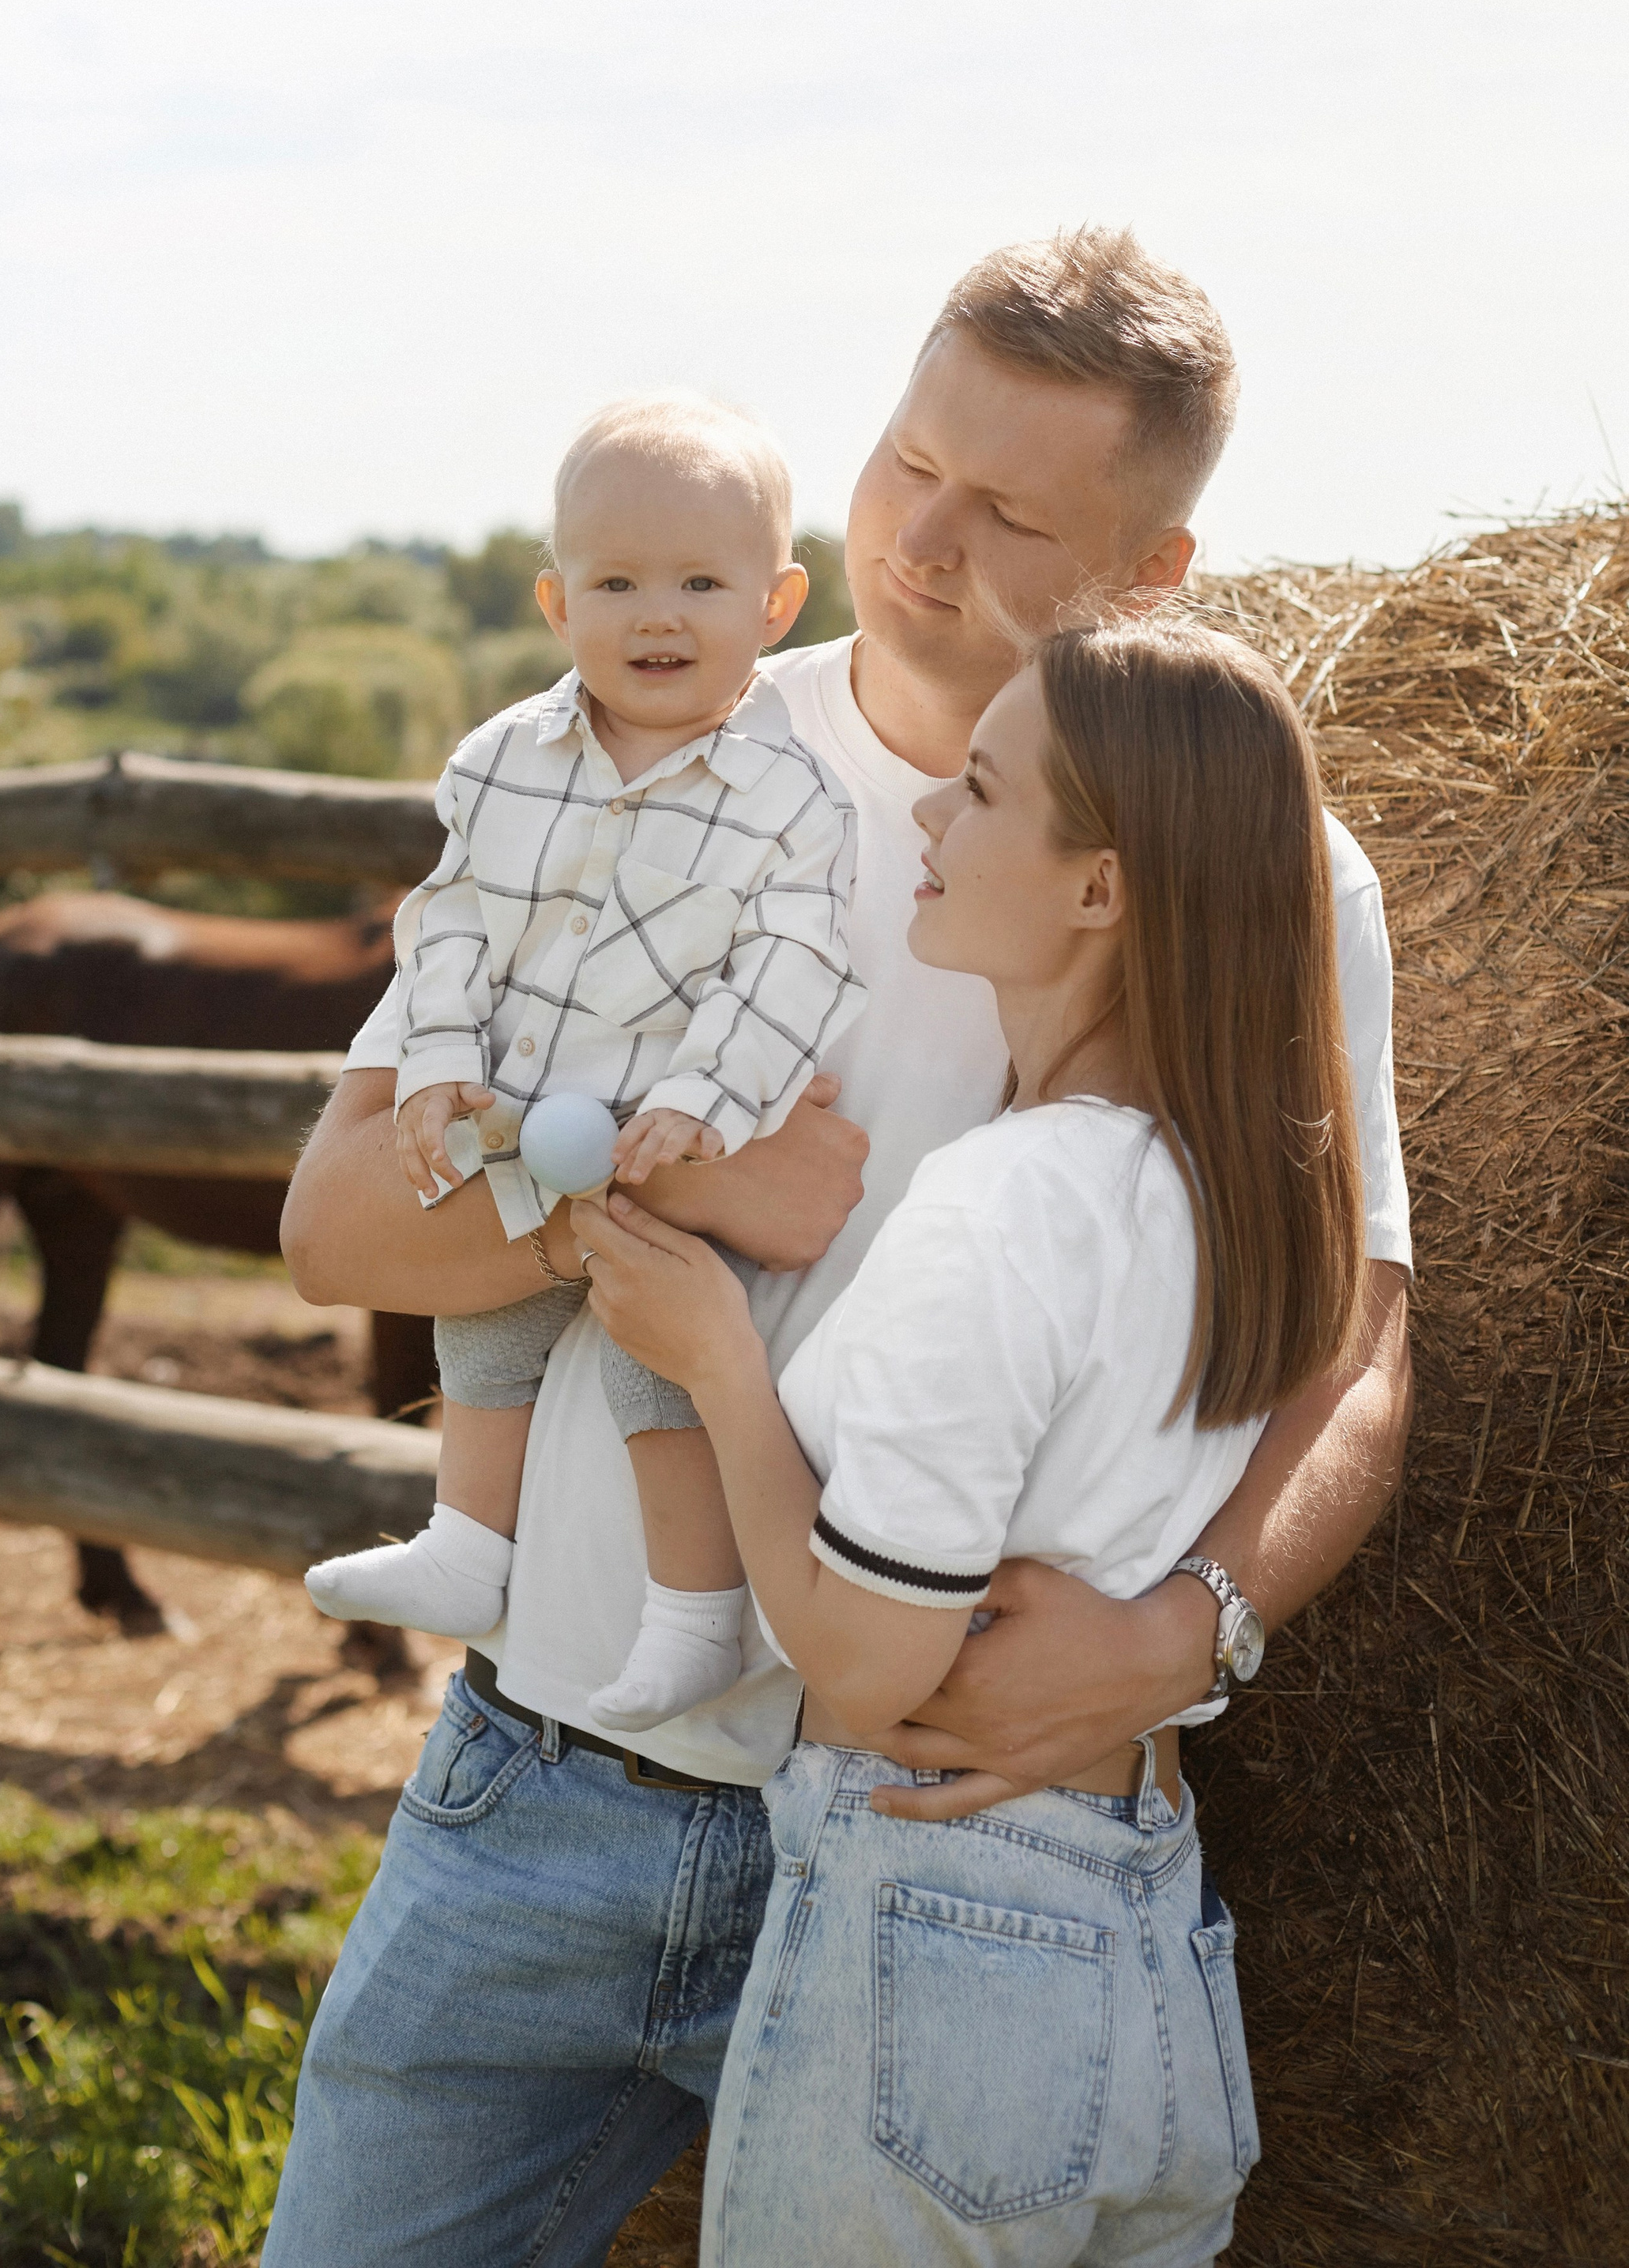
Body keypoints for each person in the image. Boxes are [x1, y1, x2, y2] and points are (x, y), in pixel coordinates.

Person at [261, 228, 1413, 2268]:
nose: (924, 539)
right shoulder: (629, 754)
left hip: (954, 1841)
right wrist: (676, 1188)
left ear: (1155, 569)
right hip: (550, 1788)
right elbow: (338, 1224)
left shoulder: (1268, 871)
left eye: (1014, 511)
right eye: (907, 462)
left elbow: (1355, 1341)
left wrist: (1193, 1626)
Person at [574, 616, 1358, 2263]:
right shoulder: (1240, 1195)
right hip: (1152, 1940)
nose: (925, 817)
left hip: (940, 1942)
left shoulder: (1008, 1199)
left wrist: (715, 1358)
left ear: (1098, 887)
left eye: (980, 790)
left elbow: (868, 1661)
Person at [303, 393, 863, 1729]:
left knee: (651, 1353)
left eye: (700, 582)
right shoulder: (501, 761)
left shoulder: (790, 798)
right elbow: (447, 927)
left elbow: (796, 966)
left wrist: (700, 1102)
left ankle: (693, 1615)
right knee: (480, 1321)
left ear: (776, 605)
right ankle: (467, 1540)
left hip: (669, 1139)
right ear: (557, 603)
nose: (656, 615)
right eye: (616, 582)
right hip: (520, 1127)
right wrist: (436, 1061)